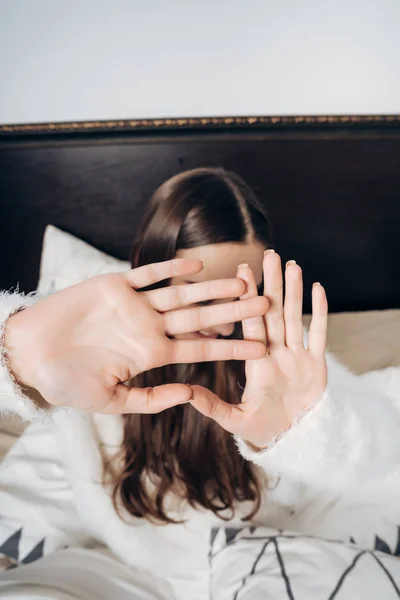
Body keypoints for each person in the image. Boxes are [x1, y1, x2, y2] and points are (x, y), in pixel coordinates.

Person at [0, 168, 399, 600]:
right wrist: (15, 360)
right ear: (148, 263)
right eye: (196, 290)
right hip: (131, 570)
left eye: (239, 292)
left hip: (256, 557)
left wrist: (301, 429)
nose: (221, 317)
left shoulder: (280, 354)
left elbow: (374, 449)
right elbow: (41, 477)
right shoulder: (90, 356)